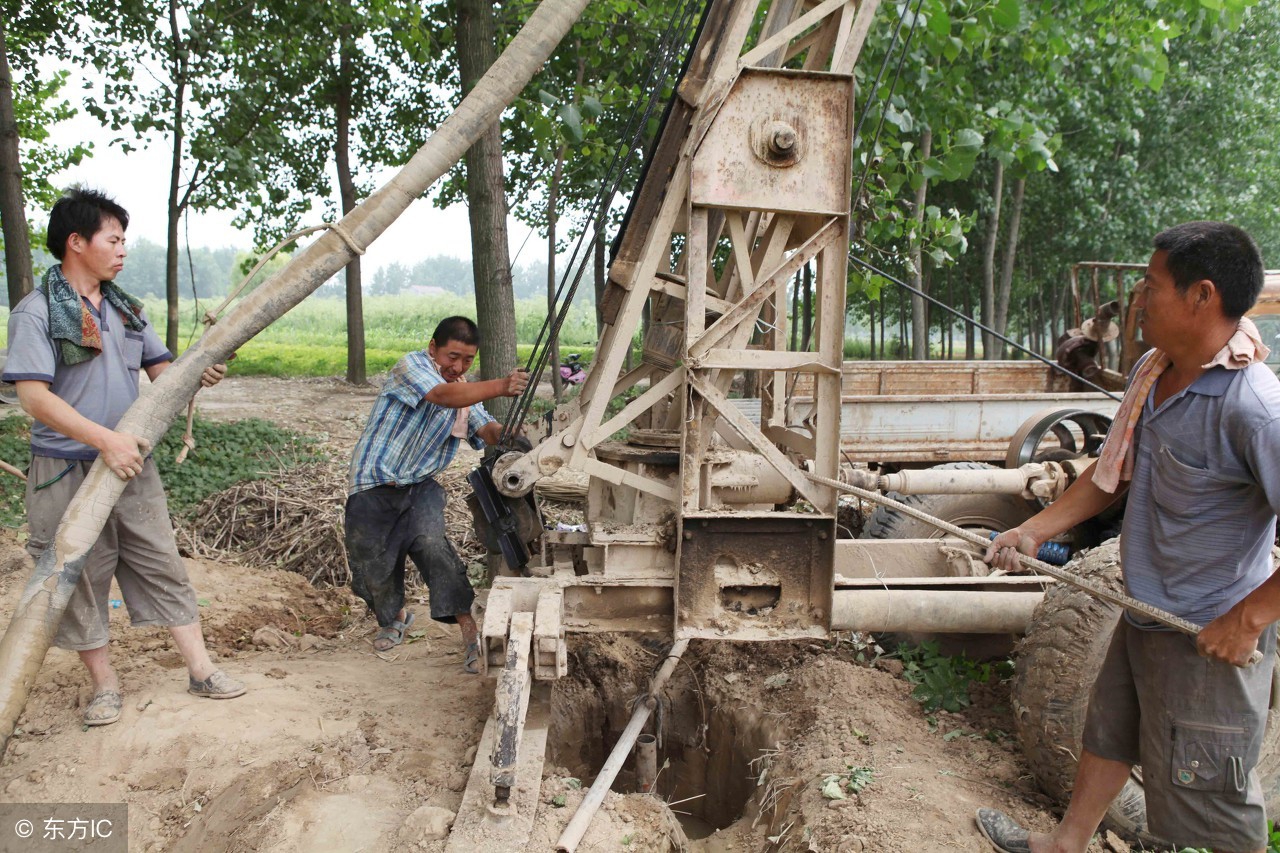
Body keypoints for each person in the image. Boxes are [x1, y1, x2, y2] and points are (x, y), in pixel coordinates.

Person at [975, 221, 1280, 853]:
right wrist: (1034, 529)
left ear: (1202, 296)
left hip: (1207, 632)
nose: (1139, 298)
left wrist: (1248, 619)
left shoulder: (1253, 408)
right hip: (1146, 609)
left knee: (1213, 805)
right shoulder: (1154, 371)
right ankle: (1066, 844)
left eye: (1151, 284)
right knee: (1110, 733)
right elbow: (1112, 476)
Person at [2, 187, 244, 728]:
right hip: (65, 468)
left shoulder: (125, 309)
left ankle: (201, 669)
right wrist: (103, 439)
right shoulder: (37, 312)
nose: (122, 250)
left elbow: (163, 374)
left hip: (130, 462)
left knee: (160, 557)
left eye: (124, 241)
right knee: (82, 574)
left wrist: (195, 374)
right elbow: (34, 397)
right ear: (76, 243)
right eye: (113, 239)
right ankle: (105, 686)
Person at [344, 316, 528, 671]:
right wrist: (501, 386)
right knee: (371, 564)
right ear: (433, 349)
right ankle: (394, 617)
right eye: (452, 357)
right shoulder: (411, 366)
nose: (457, 367)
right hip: (372, 481)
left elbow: (487, 430)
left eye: (467, 361)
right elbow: (441, 395)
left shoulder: (465, 393)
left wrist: (515, 432)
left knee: (435, 550)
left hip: (420, 486)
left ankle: (471, 636)